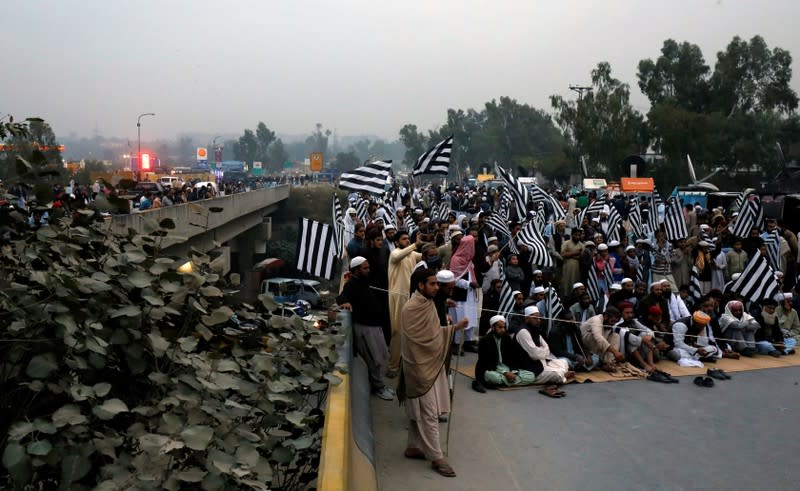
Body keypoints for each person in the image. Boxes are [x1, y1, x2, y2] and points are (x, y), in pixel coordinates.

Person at [398, 268, 468, 478]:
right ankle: (437, 457)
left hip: (427, 364)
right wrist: (454, 329)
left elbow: (434, 333)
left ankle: (413, 447)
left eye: (437, 284)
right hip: (418, 367)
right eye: (432, 284)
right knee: (429, 413)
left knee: (420, 412)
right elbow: (424, 340)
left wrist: (452, 328)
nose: (436, 287)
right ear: (420, 285)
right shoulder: (411, 308)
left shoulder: (427, 303)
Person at [336, 257, 394, 401]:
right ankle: (378, 387)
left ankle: (379, 385)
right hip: (364, 328)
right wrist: (345, 302)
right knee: (373, 360)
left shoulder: (364, 282)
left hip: (374, 326)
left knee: (379, 358)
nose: (368, 270)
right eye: (365, 268)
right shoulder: (351, 285)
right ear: (356, 270)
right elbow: (341, 297)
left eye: (368, 267)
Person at [386, 230, 423, 377]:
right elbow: (399, 255)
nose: (407, 241)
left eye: (408, 239)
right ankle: (392, 366)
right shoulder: (394, 253)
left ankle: (406, 363)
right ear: (396, 242)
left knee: (411, 332)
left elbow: (425, 255)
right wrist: (415, 244)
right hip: (398, 297)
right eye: (404, 239)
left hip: (411, 297)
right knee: (397, 331)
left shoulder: (412, 254)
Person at [515, 306, 574, 387]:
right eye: (535, 318)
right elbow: (534, 354)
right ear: (527, 318)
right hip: (530, 367)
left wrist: (542, 351)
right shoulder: (523, 332)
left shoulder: (535, 329)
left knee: (563, 362)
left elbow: (547, 348)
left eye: (539, 318)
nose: (538, 320)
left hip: (541, 362)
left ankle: (562, 374)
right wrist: (543, 351)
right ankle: (562, 375)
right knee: (556, 374)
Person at [474, 315, 536, 389]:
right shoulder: (484, 341)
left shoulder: (506, 338)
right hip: (490, 369)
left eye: (504, 327)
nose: (503, 330)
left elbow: (512, 357)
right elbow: (486, 362)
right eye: (500, 327)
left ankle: (506, 381)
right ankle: (509, 380)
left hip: (506, 368)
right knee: (495, 377)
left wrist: (512, 371)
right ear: (493, 328)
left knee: (531, 376)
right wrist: (505, 373)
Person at [560, 229, 584, 297]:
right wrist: (576, 253)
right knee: (565, 284)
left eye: (579, 235)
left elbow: (581, 257)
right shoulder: (566, 243)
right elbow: (563, 254)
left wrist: (569, 254)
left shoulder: (581, 245)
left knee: (575, 283)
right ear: (572, 235)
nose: (577, 237)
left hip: (577, 268)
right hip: (567, 267)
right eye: (575, 235)